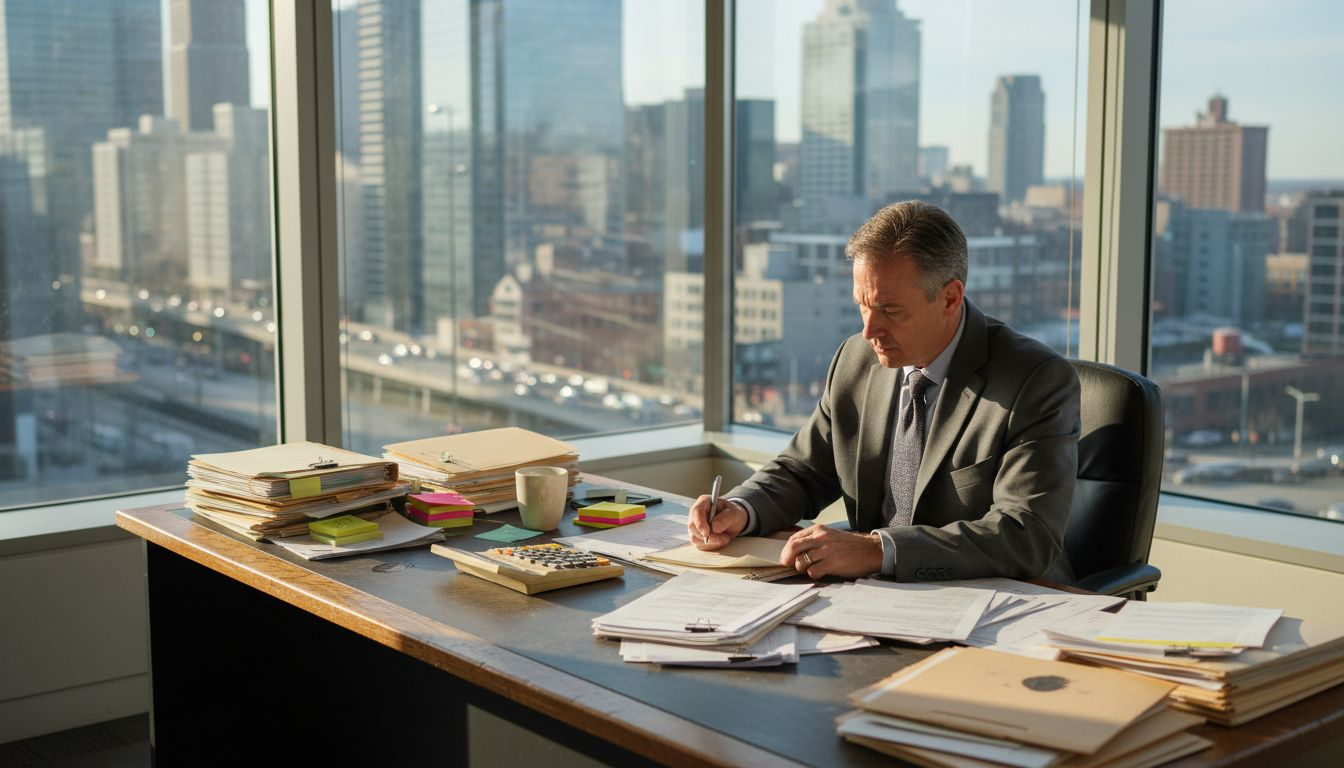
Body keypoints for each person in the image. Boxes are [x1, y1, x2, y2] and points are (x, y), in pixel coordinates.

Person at [688, 201, 1080, 582]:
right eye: (862, 305)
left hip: (993, 606)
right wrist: (741, 508)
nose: (869, 330)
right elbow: (803, 470)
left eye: (890, 310)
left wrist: (879, 550)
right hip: (869, 600)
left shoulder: (1034, 380)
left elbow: (1026, 534)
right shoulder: (856, 360)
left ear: (950, 297)